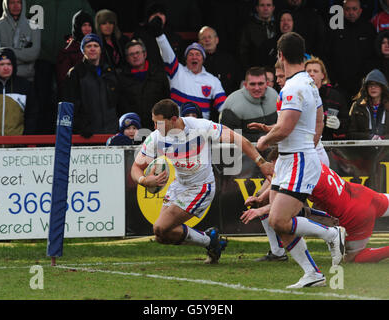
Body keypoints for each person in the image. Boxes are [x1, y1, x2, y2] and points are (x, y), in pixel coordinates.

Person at [130, 98, 274, 264]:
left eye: (159, 123)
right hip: (178, 185)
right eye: (153, 123)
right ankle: (211, 241)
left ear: (174, 120)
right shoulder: (156, 137)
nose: (155, 128)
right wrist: (144, 180)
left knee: (160, 227)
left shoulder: (200, 127)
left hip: (201, 187)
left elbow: (237, 138)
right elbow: (136, 167)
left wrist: (261, 163)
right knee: (162, 236)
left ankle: (211, 241)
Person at [256, 32, 346, 289]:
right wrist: (306, 141)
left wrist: (264, 142)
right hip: (293, 158)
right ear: (303, 54)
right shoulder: (307, 82)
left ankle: (331, 233)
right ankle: (312, 273)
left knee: (278, 220)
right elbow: (317, 119)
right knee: (280, 219)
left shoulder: (294, 87)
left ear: (281, 55)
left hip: (297, 160)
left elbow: (285, 128)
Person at [242, 150, 389, 264]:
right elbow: (281, 183)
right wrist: (260, 197)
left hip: (355, 213)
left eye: (275, 165)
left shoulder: (302, 175)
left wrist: (260, 210)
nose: (274, 170)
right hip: (362, 194)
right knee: (305, 213)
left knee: (352, 258)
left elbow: (285, 205)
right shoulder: (308, 161)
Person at [25, 0, 95, 134]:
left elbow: (89, 22)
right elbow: (24, 23)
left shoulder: (79, 3)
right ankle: (42, 138)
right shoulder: (33, 2)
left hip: (69, 58)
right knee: (42, 102)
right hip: (41, 59)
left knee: (66, 99)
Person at [152, 18, 227, 120]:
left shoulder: (213, 80)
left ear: (203, 59)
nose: (194, 57)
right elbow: (167, 53)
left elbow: (224, 107)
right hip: (178, 127)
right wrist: (160, 36)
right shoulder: (177, 72)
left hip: (201, 130)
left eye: (198, 54)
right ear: (186, 59)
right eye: (190, 54)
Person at [62, 33, 121, 138]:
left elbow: (118, 102)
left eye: (96, 46)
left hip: (112, 132)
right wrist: (81, 127)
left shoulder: (110, 72)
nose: (92, 49)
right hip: (86, 135)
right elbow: (70, 104)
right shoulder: (75, 73)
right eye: (88, 46)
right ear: (83, 50)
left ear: (101, 49)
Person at [327, 0, 377, 102]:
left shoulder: (368, 29)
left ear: (360, 11)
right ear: (342, 10)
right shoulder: (334, 29)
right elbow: (327, 55)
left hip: (362, 86)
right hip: (339, 86)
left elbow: (373, 57)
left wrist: (366, 81)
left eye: (354, 9)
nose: (351, 12)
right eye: (347, 9)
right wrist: (333, 80)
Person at [118, 38, 170, 130]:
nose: (135, 56)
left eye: (138, 53)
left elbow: (166, 102)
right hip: (133, 129)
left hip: (157, 128)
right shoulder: (122, 79)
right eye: (131, 54)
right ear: (127, 58)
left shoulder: (159, 75)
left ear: (145, 54)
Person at [0, 47, 38, 136]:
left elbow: (32, 116)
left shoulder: (24, 86)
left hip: (17, 146)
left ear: (14, 65)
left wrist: (25, 140)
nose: (6, 68)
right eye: (1, 64)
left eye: (9, 64)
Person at [219, 67, 278, 142]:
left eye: (260, 84)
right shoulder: (232, 104)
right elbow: (226, 140)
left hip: (273, 148)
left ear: (267, 84)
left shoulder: (275, 96)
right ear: (245, 85)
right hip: (244, 151)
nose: (257, 88)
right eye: (252, 84)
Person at [0, 0, 41, 83]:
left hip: (26, 79)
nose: (16, 6)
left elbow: (34, 53)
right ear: (6, 4)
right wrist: (22, 57)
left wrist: (7, 52)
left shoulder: (34, 27)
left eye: (18, 2)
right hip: (0, 81)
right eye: (12, 3)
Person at [305, 57, 349, 140]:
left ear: (322, 75)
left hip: (328, 145)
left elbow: (347, 123)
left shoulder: (335, 96)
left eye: (315, 71)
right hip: (304, 143)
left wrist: (339, 124)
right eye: (308, 71)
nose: (311, 74)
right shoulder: (298, 94)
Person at [133, 3, 184, 69]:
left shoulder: (175, 37)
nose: (158, 17)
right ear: (148, 18)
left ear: (166, 17)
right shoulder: (139, 35)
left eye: (161, 14)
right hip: (146, 74)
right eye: (154, 14)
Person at [56, 10, 95, 97]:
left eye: (89, 25)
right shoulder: (67, 52)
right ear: (77, 27)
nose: (87, 28)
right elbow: (64, 81)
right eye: (84, 25)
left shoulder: (96, 48)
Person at [198, 26, 243, 96]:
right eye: (204, 38)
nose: (207, 40)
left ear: (217, 40)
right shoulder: (195, 60)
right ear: (199, 42)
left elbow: (237, 81)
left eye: (210, 37)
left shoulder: (228, 59)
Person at [348, 68, 389, 140]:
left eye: (377, 84)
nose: (373, 87)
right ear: (366, 88)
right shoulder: (357, 106)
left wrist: (382, 138)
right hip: (364, 150)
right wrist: (369, 137)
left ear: (382, 87)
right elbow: (350, 134)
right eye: (370, 85)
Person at [239, 0, 277, 70]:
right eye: (262, 5)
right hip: (256, 71)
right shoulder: (249, 27)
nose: (265, 8)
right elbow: (243, 52)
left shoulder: (279, 25)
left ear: (273, 8)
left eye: (268, 5)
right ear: (257, 8)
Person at [95, 9, 130, 75]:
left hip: (125, 76)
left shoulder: (123, 40)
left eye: (111, 23)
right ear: (99, 26)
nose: (108, 26)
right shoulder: (95, 44)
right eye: (104, 23)